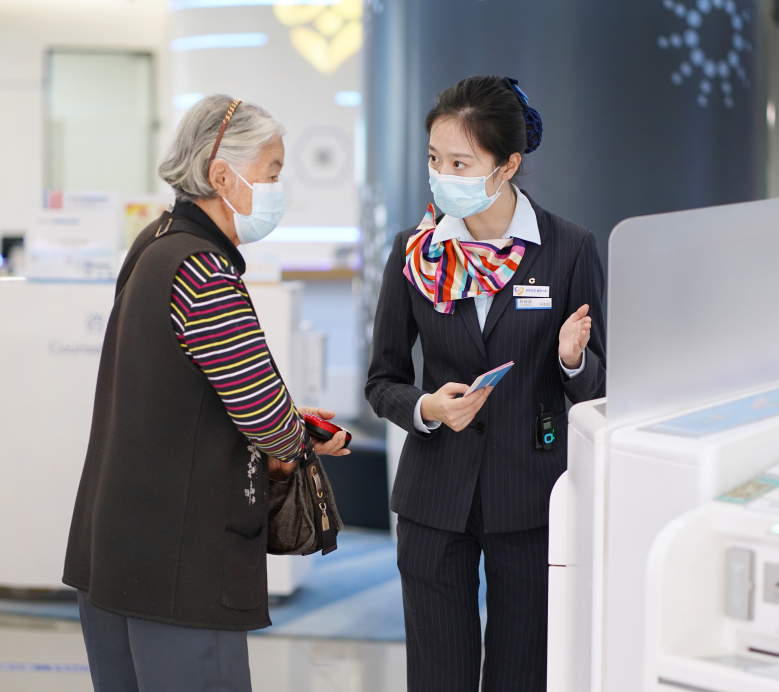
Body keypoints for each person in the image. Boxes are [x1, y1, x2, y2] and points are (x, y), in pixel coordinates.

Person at [63, 94, 349, 692]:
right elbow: (266, 419)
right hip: (180, 563)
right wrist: (302, 436)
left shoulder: (154, 242)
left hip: (116, 549)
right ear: (222, 176)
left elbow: (190, 388)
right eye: (271, 172)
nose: (277, 188)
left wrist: (286, 421)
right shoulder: (204, 271)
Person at [365, 75, 606, 691]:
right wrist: (426, 407)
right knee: (437, 676)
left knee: (521, 673)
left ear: (508, 166)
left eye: (460, 163)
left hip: (530, 497)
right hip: (434, 499)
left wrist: (572, 361)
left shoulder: (568, 249)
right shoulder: (415, 253)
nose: (442, 175)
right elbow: (383, 379)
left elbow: (600, 391)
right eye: (434, 160)